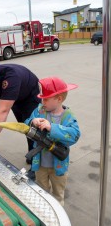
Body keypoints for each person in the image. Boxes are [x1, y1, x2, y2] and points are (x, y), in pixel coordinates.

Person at [24, 77, 81, 206]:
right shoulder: (40, 111)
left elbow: (75, 135)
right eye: (42, 98)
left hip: (58, 167)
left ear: (59, 99)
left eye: (46, 99)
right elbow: (26, 124)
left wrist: (52, 127)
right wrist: (32, 121)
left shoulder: (68, 116)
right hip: (40, 165)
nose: (42, 101)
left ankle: (58, 217)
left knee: (57, 195)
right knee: (42, 193)